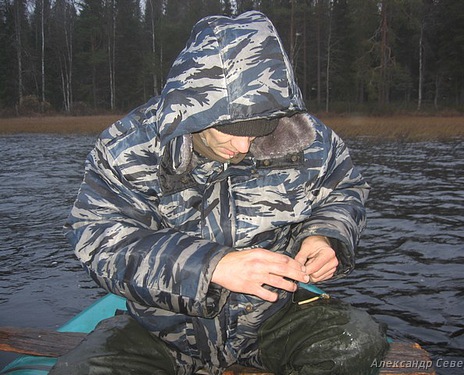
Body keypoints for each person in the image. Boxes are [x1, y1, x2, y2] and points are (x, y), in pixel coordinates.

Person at [52, 10, 388, 375]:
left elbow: (345, 189)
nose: (244, 146)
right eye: (230, 129)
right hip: (160, 331)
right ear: (192, 111)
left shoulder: (309, 139)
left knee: (359, 342)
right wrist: (211, 266)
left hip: (273, 321)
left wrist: (324, 236)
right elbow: (101, 241)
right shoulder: (126, 148)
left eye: (259, 129)